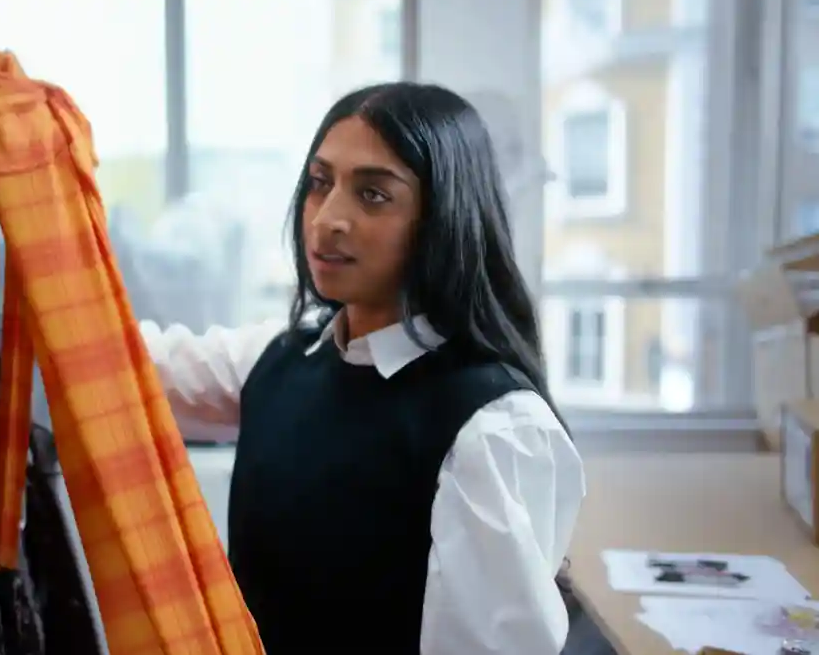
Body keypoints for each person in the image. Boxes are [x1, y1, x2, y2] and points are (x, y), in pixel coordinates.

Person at [139, 82, 585, 654]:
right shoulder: (276, 361)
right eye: (319, 183)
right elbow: (129, 370)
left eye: (373, 195)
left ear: (443, 217)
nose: (327, 219)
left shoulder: (492, 428)